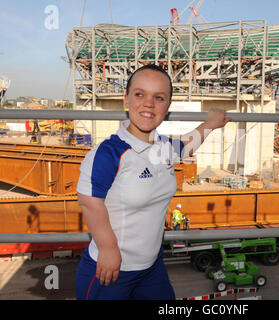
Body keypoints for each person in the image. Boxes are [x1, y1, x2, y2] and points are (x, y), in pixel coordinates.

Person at [75, 64, 231, 300]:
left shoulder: (164, 147)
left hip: (151, 267)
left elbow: (186, 145)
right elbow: (89, 202)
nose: (148, 103)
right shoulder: (108, 153)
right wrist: (108, 249)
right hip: (111, 269)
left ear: (167, 106)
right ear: (126, 99)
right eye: (140, 94)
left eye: (159, 97)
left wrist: (209, 124)